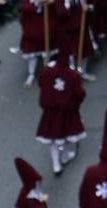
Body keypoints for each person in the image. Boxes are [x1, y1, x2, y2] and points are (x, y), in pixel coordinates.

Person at [37, 47, 87, 176]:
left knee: (52, 138)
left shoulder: (46, 71)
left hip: (50, 112)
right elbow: (80, 93)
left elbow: (41, 84)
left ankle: (56, 164)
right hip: (68, 112)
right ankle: (64, 156)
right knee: (68, 135)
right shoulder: (73, 75)